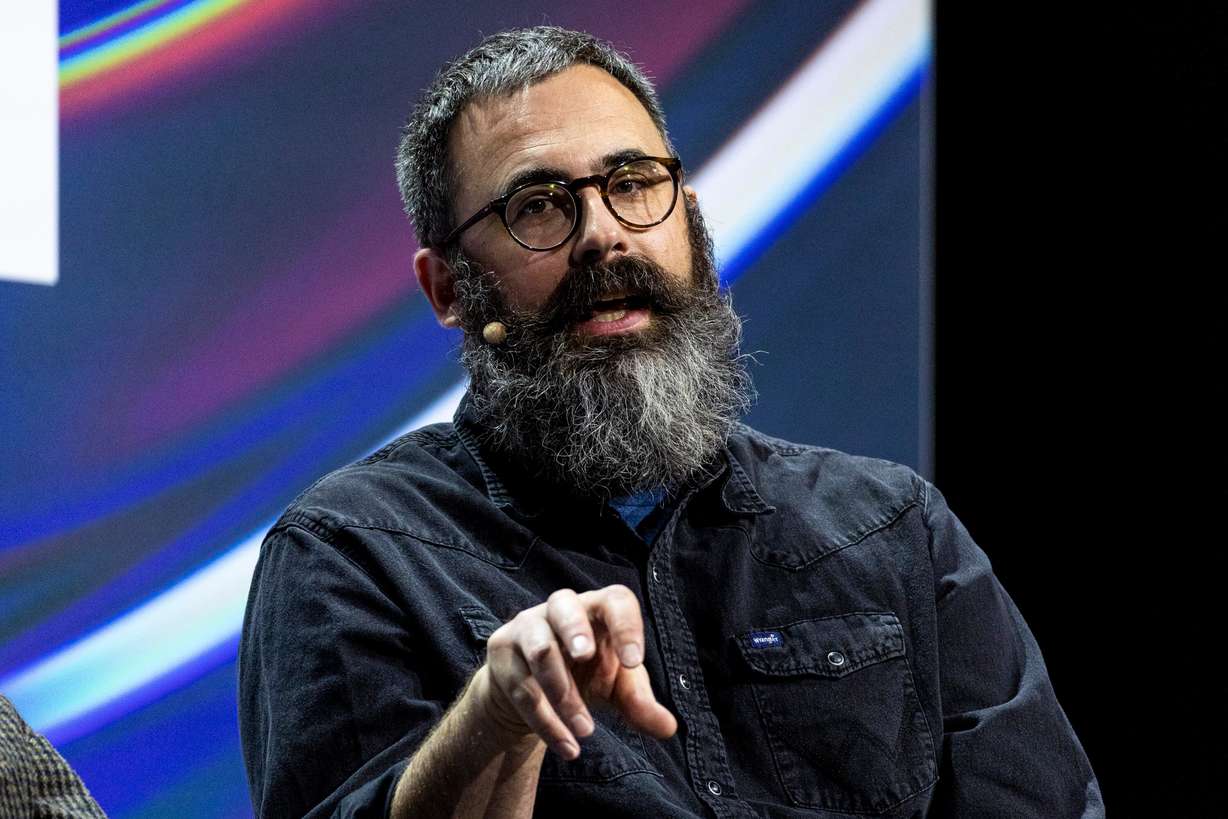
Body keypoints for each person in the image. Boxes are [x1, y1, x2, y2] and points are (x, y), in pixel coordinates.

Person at [238, 26, 1102, 818]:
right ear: (449, 289)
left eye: (632, 183)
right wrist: (492, 725)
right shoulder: (353, 554)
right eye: (537, 204)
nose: (603, 236)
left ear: (688, 215)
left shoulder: (895, 529)